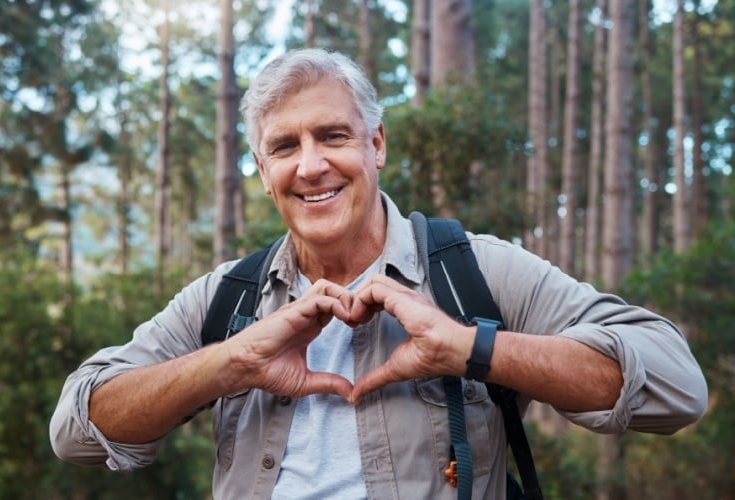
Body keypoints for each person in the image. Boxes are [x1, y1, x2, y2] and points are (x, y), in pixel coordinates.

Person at [50, 48, 707, 499]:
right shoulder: (228, 298)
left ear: (377, 144)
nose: (310, 166)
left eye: (332, 136)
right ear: (262, 173)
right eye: (284, 146)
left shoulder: (475, 271)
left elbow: (677, 387)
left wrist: (468, 348)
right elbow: (76, 430)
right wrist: (230, 362)